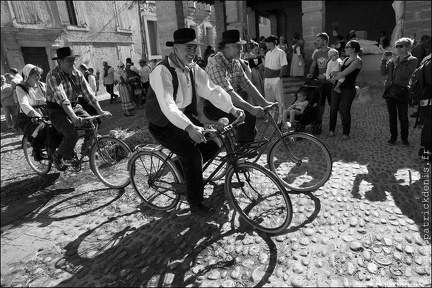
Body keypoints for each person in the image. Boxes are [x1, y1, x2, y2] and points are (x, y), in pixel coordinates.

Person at [146, 28, 245, 216]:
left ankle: (178, 167)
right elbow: (168, 106)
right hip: (163, 123)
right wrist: (190, 127)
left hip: (184, 118)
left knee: (213, 145)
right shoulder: (162, 71)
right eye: (188, 48)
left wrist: (232, 108)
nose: (193, 52)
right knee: (193, 156)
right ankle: (195, 203)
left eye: (195, 48)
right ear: (175, 48)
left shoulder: (192, 68)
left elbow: (211, 90)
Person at [46, 47, 112, 171]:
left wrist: (100, 111)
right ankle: (58, 157)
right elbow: (62, 98)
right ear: (59, 62)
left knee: (93, 122)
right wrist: (73, 117)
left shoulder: (77, 74)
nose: (72, 63)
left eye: (73, 60)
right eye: (68, 60)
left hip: (74, 106)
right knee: (72, 134)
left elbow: (89, 94)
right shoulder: (53, 75)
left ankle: (86, 149)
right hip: (57, 110)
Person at [205, 29, 273, 147]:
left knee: (250, 131)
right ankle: (240, 156)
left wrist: (265, 103)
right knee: (248, 117)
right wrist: (251, 108)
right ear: (226, 47)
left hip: (228, 104)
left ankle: (236, 158)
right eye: (237, 46)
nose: (241, 50)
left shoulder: (235, 62)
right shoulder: (216, 64)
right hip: (212, 107)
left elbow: (247, 85)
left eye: (241, 46)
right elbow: (228, 92)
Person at [15, 64, 62, 161]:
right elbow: (24, 104)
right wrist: (34, 114)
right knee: (43, 128)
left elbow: (52, 97)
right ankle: (37, 150)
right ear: (28, 75)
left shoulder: (42, 86)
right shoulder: (20, 87)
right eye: (36, 75)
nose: (39, 77)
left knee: (60, 125)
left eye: (39, 75)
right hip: (28, 115)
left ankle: (61, 149)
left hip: (45, 111)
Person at [380, 37, 417, 146]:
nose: (398, 48)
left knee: (403, 116)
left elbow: (407, 74)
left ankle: (404, 138)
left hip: (402, 90)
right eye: (397, 46)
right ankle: (393, 137)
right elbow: (383, 73)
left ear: (407, 47)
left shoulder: (412, 60)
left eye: (401, 46)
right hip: (390, 90)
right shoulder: (392, 60)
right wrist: (383, 60)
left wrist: (398, 64)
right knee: (392, 116)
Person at [328, 40, 363, 140]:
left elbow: (344, 74)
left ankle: (346, 133)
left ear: (353, 49)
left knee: (345, 111)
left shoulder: (357, 61)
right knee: (333, 109)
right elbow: (340, 71)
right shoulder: (346, 58)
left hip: (348, 89)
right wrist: (333, 73)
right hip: (337, 86)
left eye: (347, 47)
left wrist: (331, 79)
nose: (345, 48)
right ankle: (331, 130)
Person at [307, 32, 333, 134]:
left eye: (318, 41)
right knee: (320, 104)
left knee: (333, 104)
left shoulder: (332, 52)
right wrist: (310, 73)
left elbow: (335, 67)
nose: (316, 42)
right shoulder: (317, 53)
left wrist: (327, 76)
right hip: (320, 83)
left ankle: (341, 119)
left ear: (325, 41)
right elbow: (313, 65)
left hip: (330, 83)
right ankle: (318, 122)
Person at [263, 35, 289, 124]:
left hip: (276, 78)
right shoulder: (267, 53)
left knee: (279, 99)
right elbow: (266, 67)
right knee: (269, 100)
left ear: (271, 43)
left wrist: (279, 77)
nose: (266, 44)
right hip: (268, 78)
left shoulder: (280, 52)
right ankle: (271, 117)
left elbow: (284, 65)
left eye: (267, 43)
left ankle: (281, 118)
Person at [416, 54, 431, 160]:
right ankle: (426, 153)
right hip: (429, 97)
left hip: (426, 97)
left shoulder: (427, 59)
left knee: (428, 125)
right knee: (429, 126)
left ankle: (424, 151)